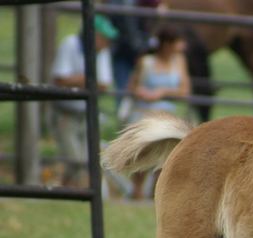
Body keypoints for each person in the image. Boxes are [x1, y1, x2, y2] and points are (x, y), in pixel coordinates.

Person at [50, 15, 117, 187]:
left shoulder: (102, 52)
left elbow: (104, 84)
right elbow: (60, 79)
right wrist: (88, 79)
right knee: (76, 161)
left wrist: (79, 79)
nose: (106, 42)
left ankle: (66, 191)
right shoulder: (70, 44)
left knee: (86, 161)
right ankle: (74, 193)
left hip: (87, 113)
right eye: (103, 38)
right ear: (93, 35)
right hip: (66, 113)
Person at [126, 26, 191, 198]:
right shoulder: (146, 62)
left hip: (168, 118)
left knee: (164, 162)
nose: (181, 47)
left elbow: (184, 90)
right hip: (146, 115)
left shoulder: (179, 61)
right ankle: (137, 193)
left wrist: (161, 93)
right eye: (178, 43)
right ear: (167, 44)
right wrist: (141, 92)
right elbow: (132, 86)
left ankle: (155, 196)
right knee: (144, 160)